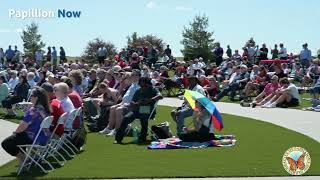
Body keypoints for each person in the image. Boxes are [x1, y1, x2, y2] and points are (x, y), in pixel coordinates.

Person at [1, 87, 52, 166]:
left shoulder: (33, 110)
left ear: (36, 98)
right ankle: (23, 162)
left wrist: (15, 132)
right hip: (43, 137)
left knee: (6, 143)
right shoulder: (45, 109)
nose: (30, 96)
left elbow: (22, 126)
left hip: (33, 137)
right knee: (18, 137)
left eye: (31, 95)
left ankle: (26, 159)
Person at [114, 77, 163, 144]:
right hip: (137, 109)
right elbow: (132, 102)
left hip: (148, 109)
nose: (142, 87)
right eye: (141, 84)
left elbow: (160, 96)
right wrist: (135, 103)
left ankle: (142, 138)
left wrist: (149, 100)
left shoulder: (153, 89)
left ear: (147, 84)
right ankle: (118, 139)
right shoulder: (138, 90)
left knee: (143, 118)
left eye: (144, 85)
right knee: (126, 118)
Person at [99, 70, 141, 134]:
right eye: (132, 75)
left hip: (132, 107)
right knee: (113, 107)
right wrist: (121, 104)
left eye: (134, 75)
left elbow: (136, 101)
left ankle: (117, 130)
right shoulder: (132, 85)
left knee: (119, 109)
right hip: (125, 104)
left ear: (138, 77)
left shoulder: (139, 86)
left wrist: (124, 104)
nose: (132, 76)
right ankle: (109, 128)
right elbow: (125, 98)